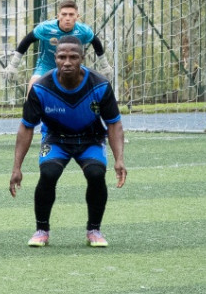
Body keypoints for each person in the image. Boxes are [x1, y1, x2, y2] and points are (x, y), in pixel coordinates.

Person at [9, 35, 127, 247]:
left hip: (90, 139)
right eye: (62, 57)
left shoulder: (100, 85)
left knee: (96, 173)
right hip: (56, 139)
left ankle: (94, 230)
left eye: (73, 57)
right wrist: (16, 167)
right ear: (55, 58)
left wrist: (119, 159)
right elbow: (26, 127)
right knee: (48, 173)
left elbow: (114, 124)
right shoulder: (41, 88)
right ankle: (41, 230)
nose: (67, 62)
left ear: (83, 57)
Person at [2, 0, 114, 94]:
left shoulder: (84, 31)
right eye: (64, 14)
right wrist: (13, 65)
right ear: (58, 16)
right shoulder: (45, 28)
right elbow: (27, 41)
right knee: (32, 90)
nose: (67, 18)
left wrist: (105, 66)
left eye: (71, 14)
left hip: (72, 69)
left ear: (77, 16)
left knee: (89, 92)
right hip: (46, 67)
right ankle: (31, 119)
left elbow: (96, 43)